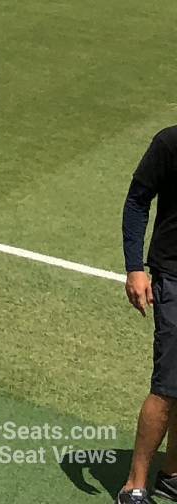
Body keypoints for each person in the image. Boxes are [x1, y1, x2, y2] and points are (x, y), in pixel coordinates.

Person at [121, 126, 177, 504]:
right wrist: (134, 267)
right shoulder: (170, 143)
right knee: (168, 386)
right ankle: (135, 485)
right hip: (174, 276)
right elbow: (137, 200)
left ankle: (172, 474)